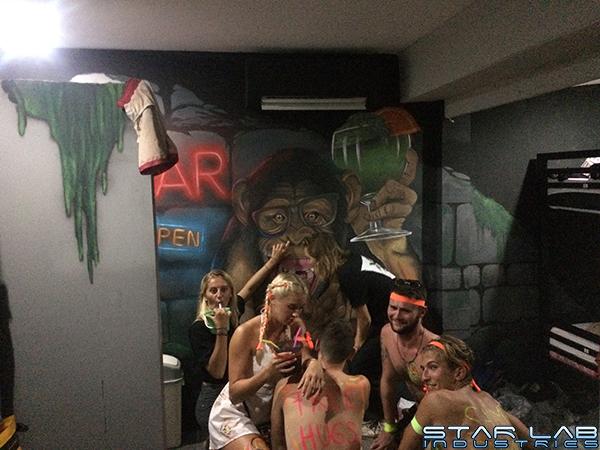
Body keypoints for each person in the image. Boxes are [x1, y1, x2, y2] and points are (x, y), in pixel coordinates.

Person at [208, 272, 324, 450]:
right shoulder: (245, 333)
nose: (296, 313)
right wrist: (267, 374)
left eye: (300, 308)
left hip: (270, 412)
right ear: (271, 299)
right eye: (291, 307)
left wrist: (314, 364)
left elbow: (306, 354)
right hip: (237, 412)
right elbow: (235, 393)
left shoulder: (296, 327)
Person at [189, 242, 289, 443]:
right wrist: (221, 330)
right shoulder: (198, 328)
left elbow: (250, 287)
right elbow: (217, 372)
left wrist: (272, 262)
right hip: (213, 396)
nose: (219, 295)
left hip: (237, 395)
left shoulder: (233, 313)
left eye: (224, 290)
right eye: (213, 291)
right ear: (205, 296)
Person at [398, 335, 530, 450]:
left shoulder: (435, 401)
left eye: (433, 367)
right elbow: (533, 443)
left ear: (459, 373)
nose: (424, 377)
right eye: (423, 369)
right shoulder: (489, 400)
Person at [271, 319, 370, 450]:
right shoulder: (362, 385)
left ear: (317, 345)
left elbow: (277, 444)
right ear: (351, 354)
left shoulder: (285, 387)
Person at [371, 279, 438, 450]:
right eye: (393, 307)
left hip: (442, 418)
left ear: (422, 312)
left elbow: (447, 402)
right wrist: (389, 428)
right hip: (419, 411)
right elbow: (388, 381)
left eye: (405, 311)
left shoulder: (435, 348)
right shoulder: (387, 334)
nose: (396, 315)